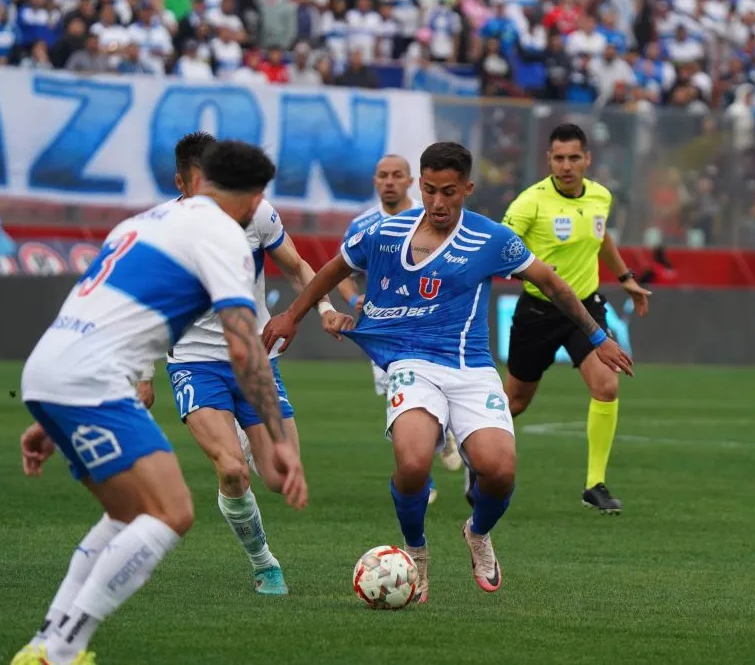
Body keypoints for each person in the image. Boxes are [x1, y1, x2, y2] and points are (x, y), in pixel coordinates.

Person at [261, 142, 633, 602]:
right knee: (414, 464)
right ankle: (416, 551)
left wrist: (599, 337)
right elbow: (334, 269)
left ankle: (477, 531)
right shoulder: (385, 232)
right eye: (431, 190)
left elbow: (552, 283)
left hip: (471, 368)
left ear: (468, 189)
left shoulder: (490, 239)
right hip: (411, 365)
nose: (439, 202)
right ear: (421, 185)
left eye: (450, 192)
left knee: (499, 472)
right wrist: (292, 316)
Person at [13, 141, 306, 665]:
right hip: (95, 381)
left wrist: (48, 414)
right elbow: (243, 342)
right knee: (169, 511)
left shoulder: (139, 224)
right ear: (255, 194)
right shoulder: (223, 234)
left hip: (53, 371)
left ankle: (46, 643)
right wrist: (277, 435)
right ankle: (63, 648)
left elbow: (93, 306)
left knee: (128, 513)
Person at [132, 132, 339, 596]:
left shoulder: (256, 213)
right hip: (192, 361)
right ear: (182, 183)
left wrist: (323, 310)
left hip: (255, 360)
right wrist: (144, 377)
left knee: (279, 476)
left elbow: (298, 265)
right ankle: (264, 563)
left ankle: (242, 443)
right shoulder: (163, 229)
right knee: (231, 471)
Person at [498, 123, 651, 515]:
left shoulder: (600, 196)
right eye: (559, 158)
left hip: (585, 309)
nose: (566, 166)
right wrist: (528, 271)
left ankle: (594, 485)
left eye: (574, 158)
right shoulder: (528, 204)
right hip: (537, 311)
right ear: (549, 160)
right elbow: (500, 253)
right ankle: (474, 460)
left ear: (587, 159)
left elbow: (600, 238)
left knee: (607, 386)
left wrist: (626, 278)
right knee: (513, 402)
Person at [335, 154, 464, 505]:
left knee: (433, 388)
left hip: (428, 327)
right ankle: (423, 473)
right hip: (382, 328)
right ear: (375, 182)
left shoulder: (433, 219)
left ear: (411, 182)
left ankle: (442, 436)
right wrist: (355, 300)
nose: (389, 181)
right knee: (398, 400)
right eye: (382, 176)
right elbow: (343, 273)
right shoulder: (363, 224)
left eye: (396, 175)